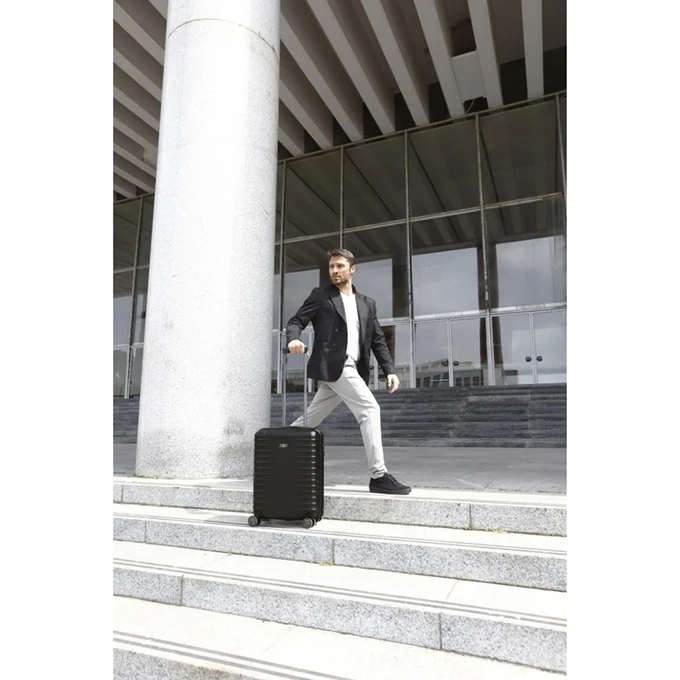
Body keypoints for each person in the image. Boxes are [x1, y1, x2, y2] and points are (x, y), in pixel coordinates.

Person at [286, 248, 411, 495]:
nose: (334, 270)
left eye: (340, 266)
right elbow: (296, 321)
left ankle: (277, 445)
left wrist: (389, 370)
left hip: (350, 368)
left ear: (352, 269)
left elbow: (377, 339)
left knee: (310, 419)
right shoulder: (321, 296)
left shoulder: (367, 303)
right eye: (331, 266)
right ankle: (379, 475)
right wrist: (293, 339)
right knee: (370, 409)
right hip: (336, 364)